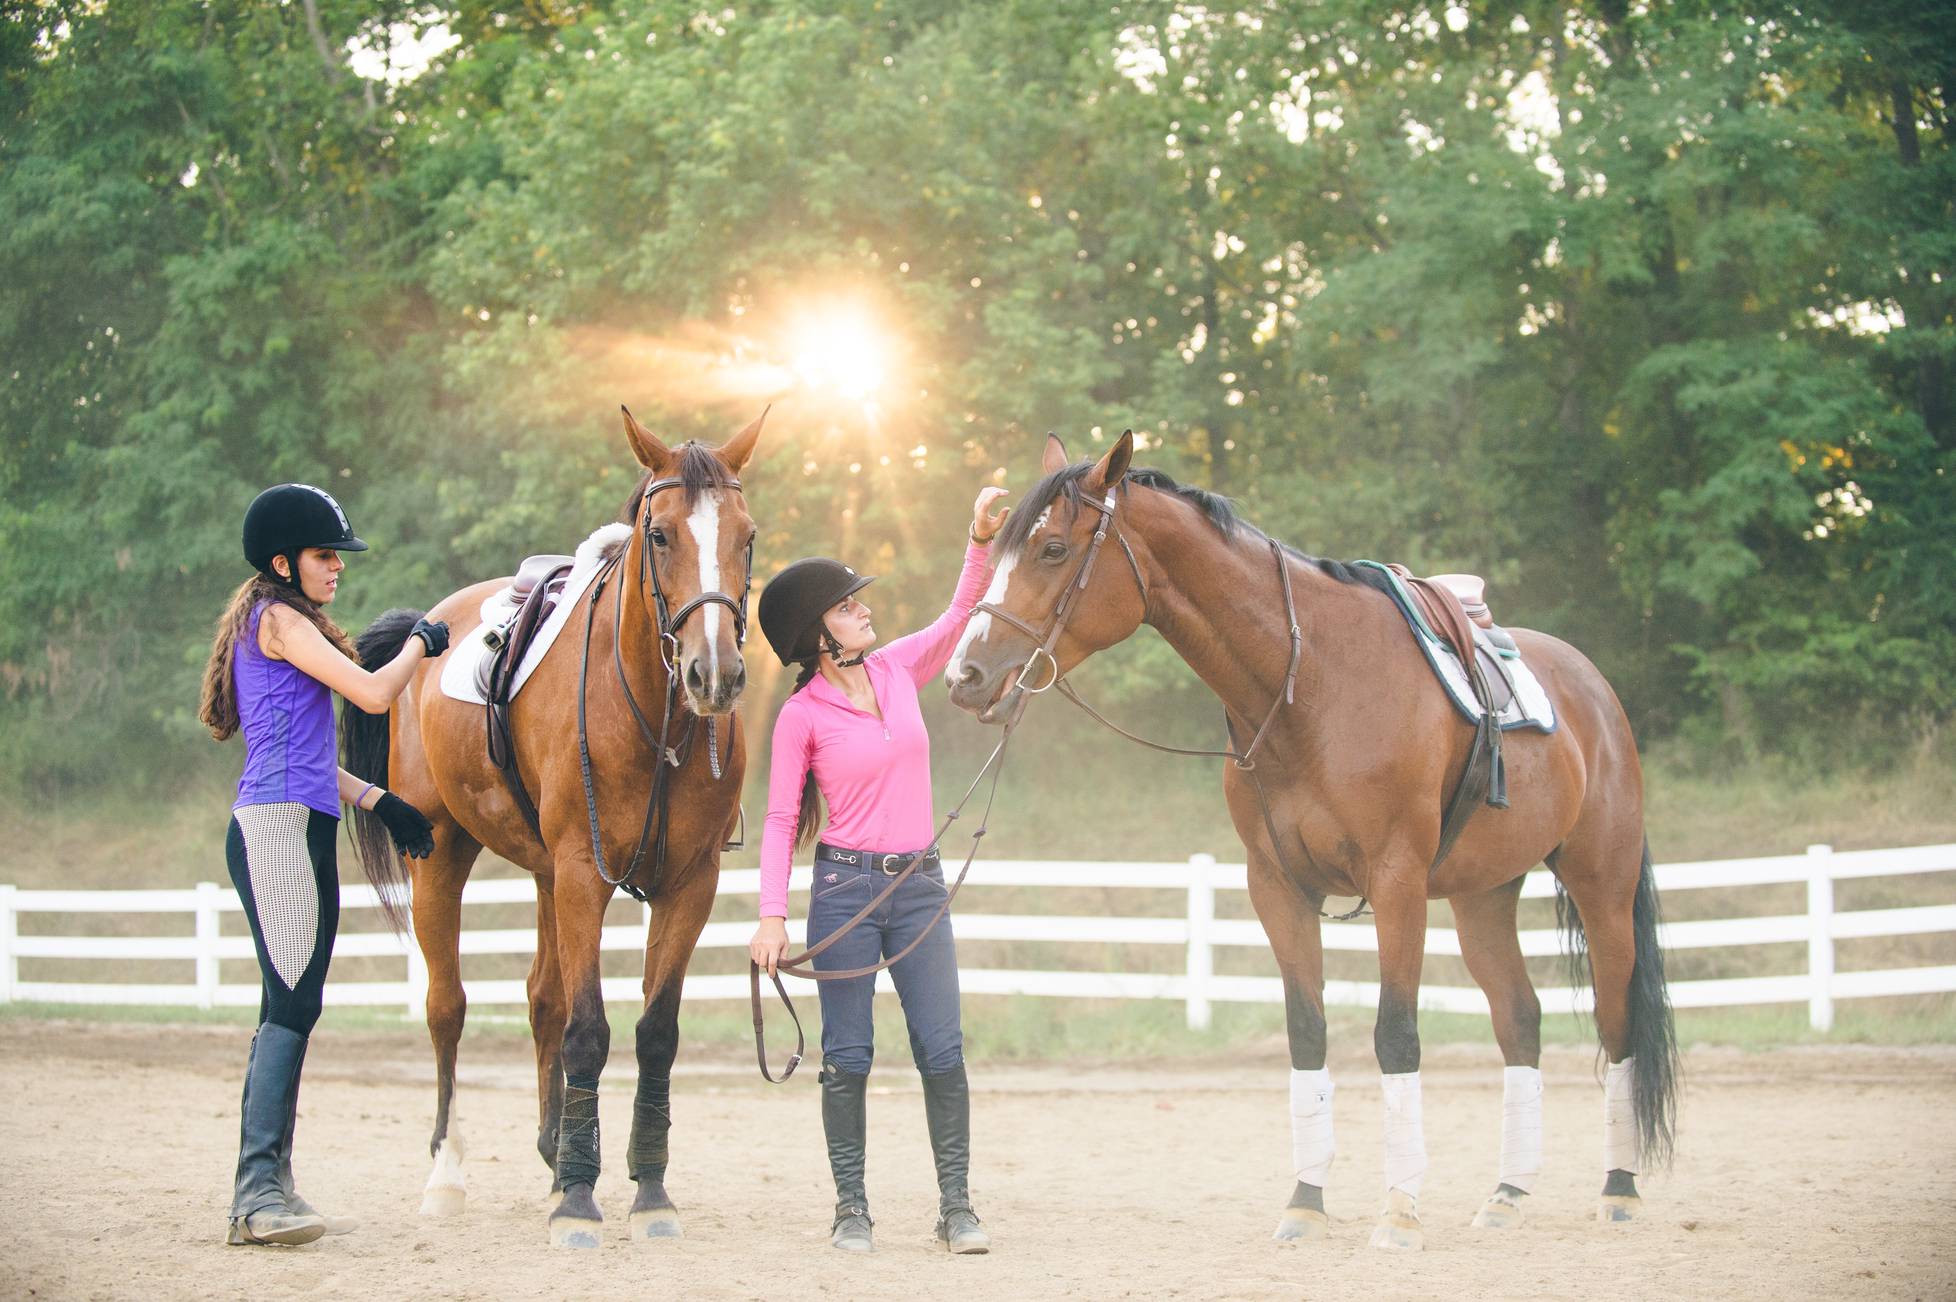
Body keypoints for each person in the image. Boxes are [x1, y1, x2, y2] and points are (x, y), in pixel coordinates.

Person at [750, 483, 1010, 1255]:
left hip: (919, 887)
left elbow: (961, 614)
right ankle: (851, 1210)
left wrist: (978, 538)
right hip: (846, 892)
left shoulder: (899, 669)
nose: (864, 608)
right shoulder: (801, 717)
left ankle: (956, 1207)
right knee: (849, 1058)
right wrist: (772, 913)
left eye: (859, 600)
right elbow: (778, 819)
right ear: (818, 635)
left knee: (943, 1048)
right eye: (847, 605)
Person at [196, 483, 449, 1246]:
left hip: (303, 819)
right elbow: (373, 696)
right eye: (322, 555)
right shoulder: (276, 619)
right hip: (277, 828)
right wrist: (421, 642)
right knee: (291, 1005)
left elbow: (302, 754)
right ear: (283, 562)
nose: (336, 567)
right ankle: (258, 1193)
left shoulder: (283, 621)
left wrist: (380, 801)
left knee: (293, 1002)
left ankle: (266, 1187)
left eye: (337, 555)